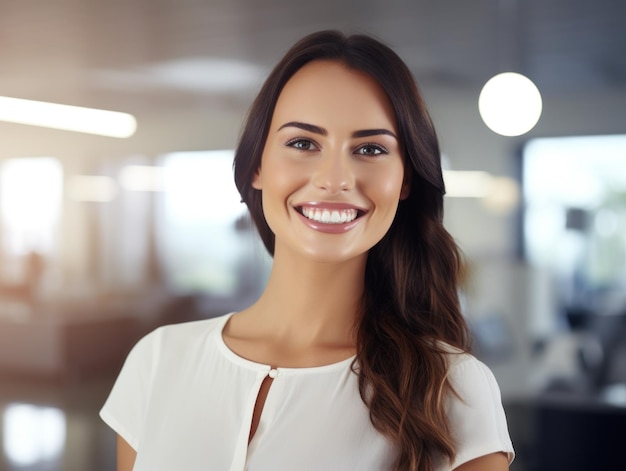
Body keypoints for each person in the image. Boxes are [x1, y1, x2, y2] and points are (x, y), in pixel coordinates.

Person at [100, 30, 515, 471]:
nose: (334, 178)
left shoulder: (453, 388)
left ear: (406, 180)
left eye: (370, 149)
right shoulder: (159, 359)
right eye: (303, 143)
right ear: (257, 165)